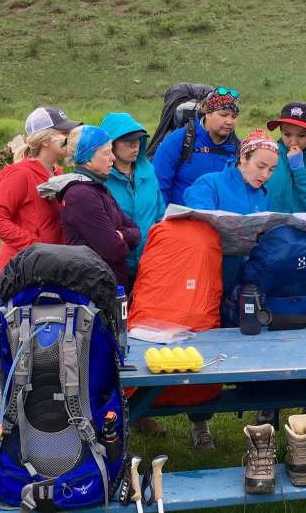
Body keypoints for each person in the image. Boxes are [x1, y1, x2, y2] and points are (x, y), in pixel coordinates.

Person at [180, 129, 278, 452]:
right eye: (260, 166)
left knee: (252, 346)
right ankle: (200, 424)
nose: (265, 175)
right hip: (206, 279)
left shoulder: (263, 194)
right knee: (205, 351)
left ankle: (263, 416)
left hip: (245, 282)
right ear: (242, 158)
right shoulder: (209, 184)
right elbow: (196, 220)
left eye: (271, 170)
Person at [0, 106, 81, 288]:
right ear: (45, 140)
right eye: (63, 132)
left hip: (50, 270)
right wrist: (36, 247)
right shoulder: (21, 175)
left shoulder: (57, 174)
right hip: (20, 272)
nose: (70, 137)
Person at [38, 125, 141, 290]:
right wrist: (123, 236)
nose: (113, 158)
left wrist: (122, 234)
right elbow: (115, 250)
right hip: (94, 289)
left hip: (108, 284)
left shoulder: (98, 188)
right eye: (106, 153)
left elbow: (136, 233)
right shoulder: (81, 196)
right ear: (88, 158)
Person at [100, 113, 167, 284]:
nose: (135, 146)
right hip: (113, 268)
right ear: (110, 145)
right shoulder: (100, 179)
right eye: (127, 141)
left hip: (150, 265)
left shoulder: (149, 172)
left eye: (138, 140)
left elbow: (160, 216)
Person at [151, 86, 241, 206]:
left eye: (234, 116)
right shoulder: (178, 140)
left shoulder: (239, 148)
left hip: (222, 222)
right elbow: (157, 186)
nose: (229, 121)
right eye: (223, 115)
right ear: (207, 113)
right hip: (182, 220)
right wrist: (163, 220)